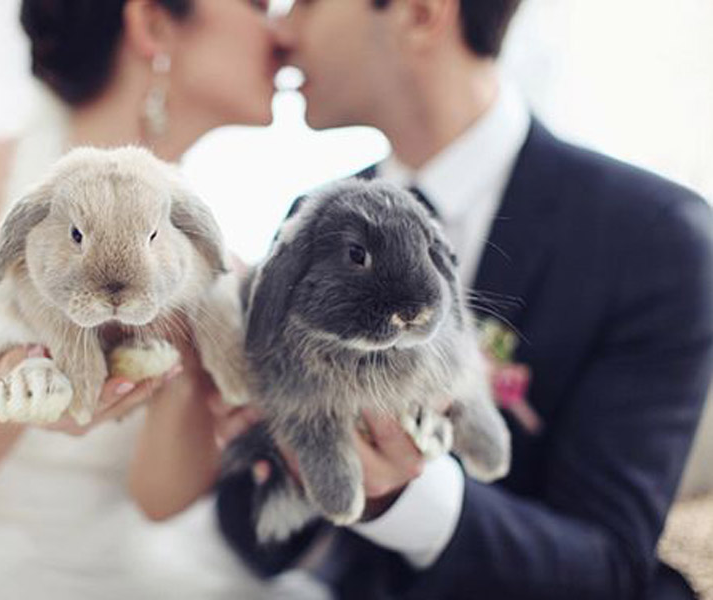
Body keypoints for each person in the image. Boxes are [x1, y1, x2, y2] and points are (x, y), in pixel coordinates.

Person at [213, 0, 713, 598]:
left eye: (309, 1)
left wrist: (410, 498)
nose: (281, 27)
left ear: (421, 13)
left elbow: (607, 566)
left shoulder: (655, 238)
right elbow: (253, 532)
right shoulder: (312, 221)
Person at [0, 1, 280, 597]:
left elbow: (159, 503)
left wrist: (189, 371)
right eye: (258, 5)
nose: (283, 29)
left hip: (130, 572)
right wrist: (15, 393)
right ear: (153, 25)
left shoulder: (203, 258)